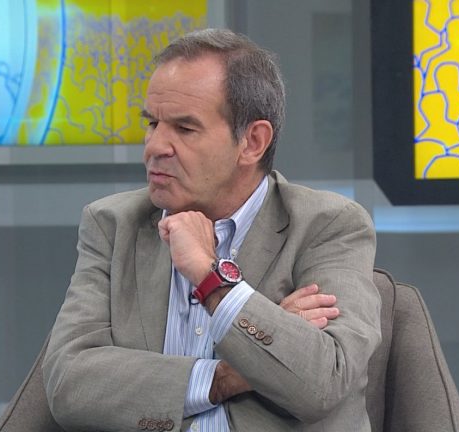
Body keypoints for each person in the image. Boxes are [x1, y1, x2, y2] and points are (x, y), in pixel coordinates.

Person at [42, 28, 381, 431]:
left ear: (252, 142)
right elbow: (69, 384)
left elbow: (324, 381)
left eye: (184, 129)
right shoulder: (113, 224)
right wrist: (229, 374)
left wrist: (211, 278)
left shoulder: (327, 225)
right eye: (152, 123)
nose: (154, 147)